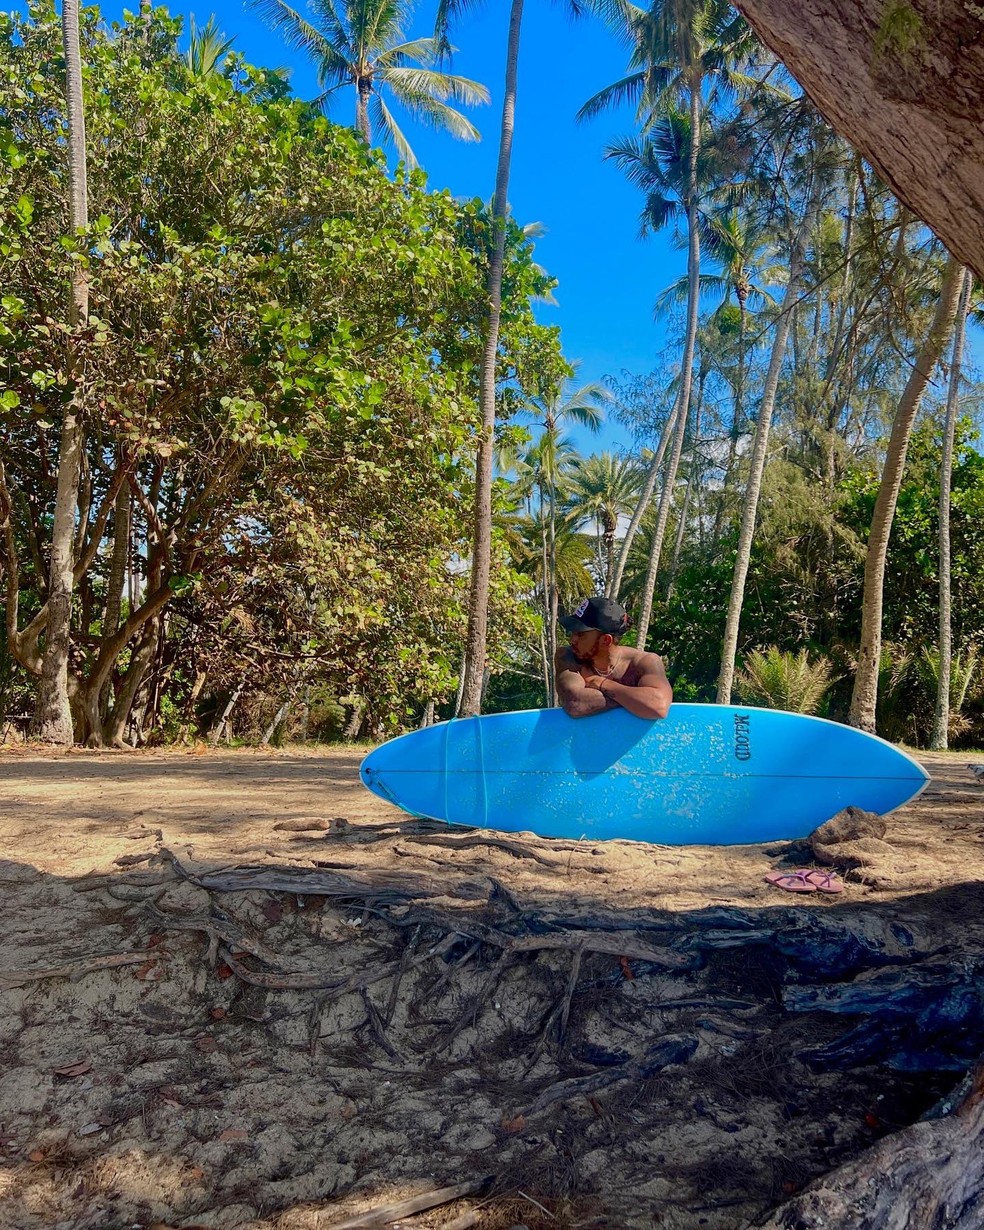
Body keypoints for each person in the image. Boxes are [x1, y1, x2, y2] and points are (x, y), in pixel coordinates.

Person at [555, 596, 672, 721]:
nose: (572, 639)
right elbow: (575, 703)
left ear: (606, 640)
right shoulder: (568, 656)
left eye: (580, 634)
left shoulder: (644, 662)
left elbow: (658, 706)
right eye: (573, 632)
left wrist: (604, 684)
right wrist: (636, 700)